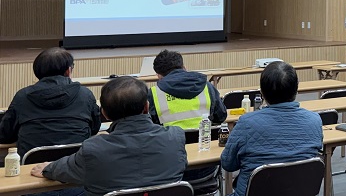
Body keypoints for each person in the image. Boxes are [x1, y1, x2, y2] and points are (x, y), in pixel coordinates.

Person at [30, 77, 187, 196]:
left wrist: (48, 168)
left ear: (104, 113)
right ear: (147, 107)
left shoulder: (94, 149)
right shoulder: (175, 137)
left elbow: (64, 169)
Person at [221, 62, 323, 196]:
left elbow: (228, 164)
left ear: (262, 92)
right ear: (296, 90)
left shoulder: (247, 123)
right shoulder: (315, 120)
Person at [0, 48, 101, 158]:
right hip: (75, 165)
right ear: (68, 70)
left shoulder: (22, 96)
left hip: (31, 167)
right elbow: (95, 128)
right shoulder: (85, 94)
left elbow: (5, 135)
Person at [148, 49, 227, 127]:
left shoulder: (153, 93)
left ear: (159, 76)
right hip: (204, 138)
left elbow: (150, 124)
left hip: (170, 139)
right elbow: (221, 116)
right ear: (184, 67)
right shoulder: (207, 86)